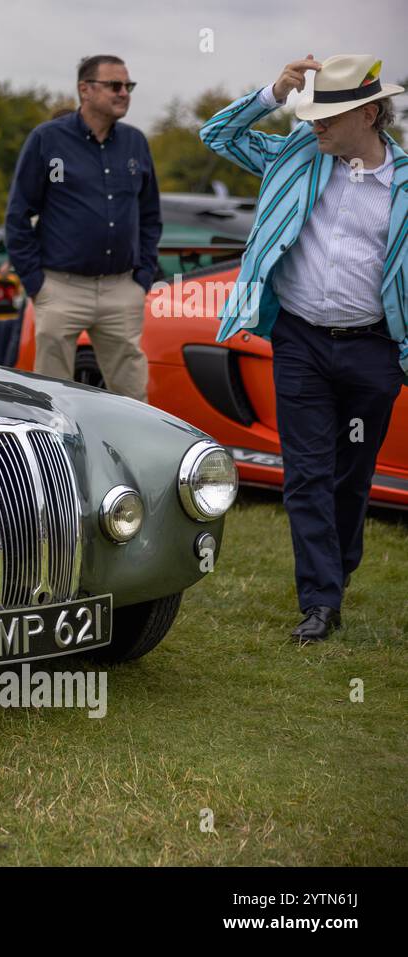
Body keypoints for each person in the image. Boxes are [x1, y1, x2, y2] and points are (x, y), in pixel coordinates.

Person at [199, 54, 407, 644]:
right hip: (300, 342)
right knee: (307, 474)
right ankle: (319, 601)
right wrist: (272, 92)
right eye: (310, 111)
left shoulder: (406, 183)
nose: (314, 123)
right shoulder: (293, 154)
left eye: (328, 114)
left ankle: (335, 571)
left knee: (351, 474)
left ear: (368, 114)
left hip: (373, 351)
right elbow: (217, 133)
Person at [4, 54, 161, 402]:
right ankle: (53, 457)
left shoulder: (136, 143)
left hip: (122, 289)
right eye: (114, 85)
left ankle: (132, 458)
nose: (124, 93)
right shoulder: (46, 140)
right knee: (51, 397)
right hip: (60, 288)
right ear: (85, 90)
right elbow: (17, 216)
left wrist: (142, 276)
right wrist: (36, 283)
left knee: (134, 398)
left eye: (128, 86)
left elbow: (150, 215)